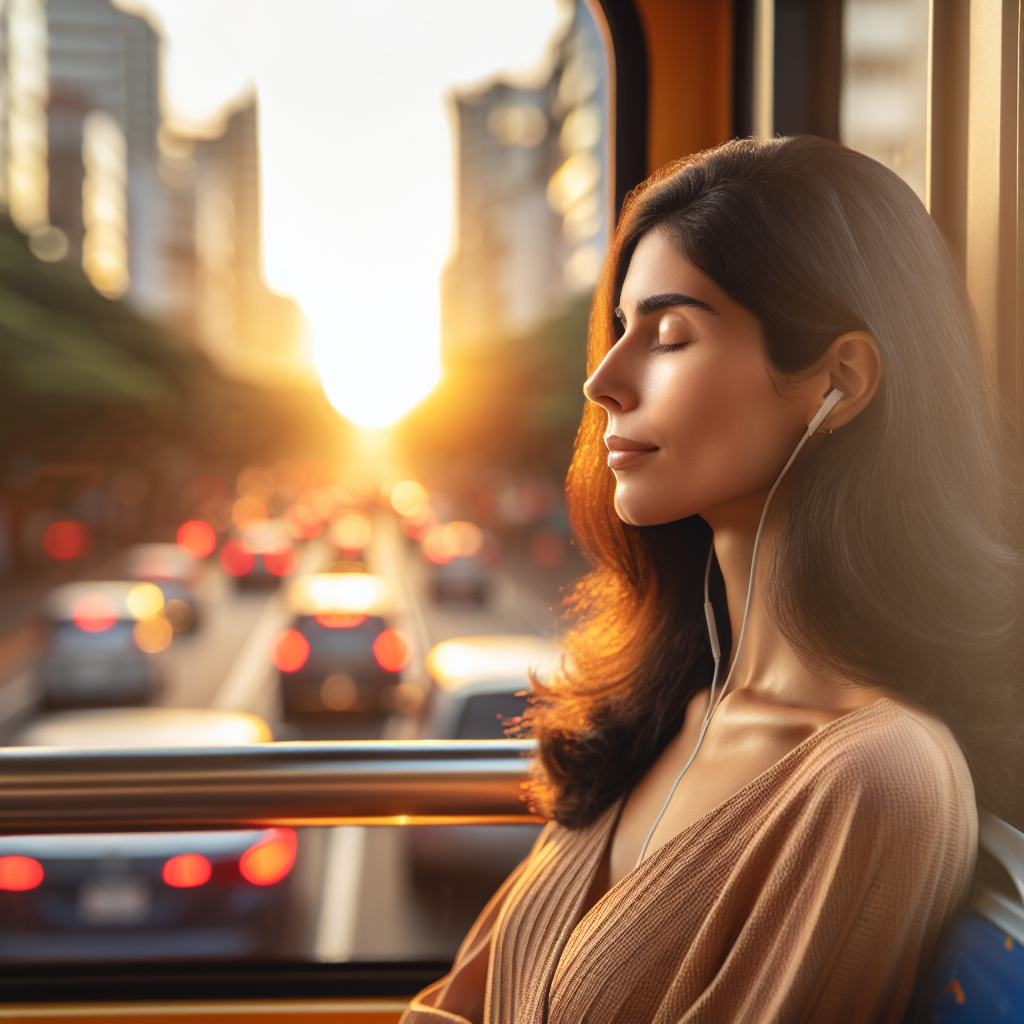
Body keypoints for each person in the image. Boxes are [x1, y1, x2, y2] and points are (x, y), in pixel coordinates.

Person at [400, 136, 1024, 1023]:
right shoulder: (666, 704)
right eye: (619, 330)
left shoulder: (876, 780)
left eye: (671, 334)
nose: (603, 380)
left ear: (838, 381)